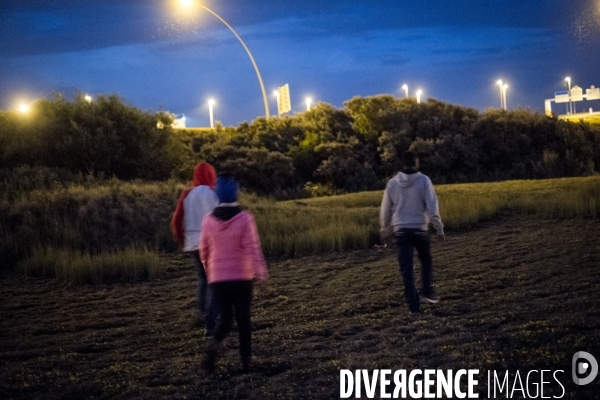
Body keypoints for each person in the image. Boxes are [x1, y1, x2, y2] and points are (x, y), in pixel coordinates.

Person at [199, 175, 269, 373]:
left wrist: (210, 273)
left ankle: (212, 351)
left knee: (226, 320)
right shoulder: (245, 219)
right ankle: (246, 362)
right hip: (241, 277)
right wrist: (261, 274)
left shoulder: (207, 221)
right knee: (244, 319)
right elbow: (253, 248)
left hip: (218, 279)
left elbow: (204, 251)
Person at [380, 151, 445, 314]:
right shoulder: (424, 180)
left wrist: (384, 231)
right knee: (426, 261)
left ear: (401, 164)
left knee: (406, 269)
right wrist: (439, 228)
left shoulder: (392, 183)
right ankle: (427, 291)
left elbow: (385, 211)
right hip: (420, 229)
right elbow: (432, 207)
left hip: (401, 230)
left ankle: (413, 307)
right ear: (416, 163)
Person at [171, 162, 219, 331]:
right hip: (212, 242)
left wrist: (180, 239)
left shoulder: (187, 194)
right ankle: (212, 316)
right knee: (214, 279)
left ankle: (201, 310)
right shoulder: (215, 193)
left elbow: (177, 219)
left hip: (192, 242)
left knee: (203, 278)